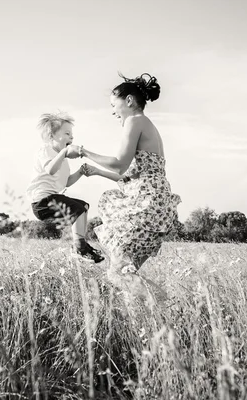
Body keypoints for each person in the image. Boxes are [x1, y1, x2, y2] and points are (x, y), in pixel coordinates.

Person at [78, 73, 181, 290]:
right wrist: (97, 171)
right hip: (157, 207)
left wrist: (83, 151)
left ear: (129, 101)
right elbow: (128, 176)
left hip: (145, 206)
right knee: (126, 272)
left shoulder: (134, 121)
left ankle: (163, 305)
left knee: (117, 274)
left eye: (113, 104)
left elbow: (119, 164)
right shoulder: (148, 125)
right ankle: (155, 316)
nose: (112, 111)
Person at [26, 112, 104, 263]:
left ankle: (81, 244)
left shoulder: (63, 160)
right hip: (42, 202)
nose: (71, 138)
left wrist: (80, 172)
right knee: (78, 210)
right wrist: (63, 152)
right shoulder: (46, 150)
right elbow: (50, 169)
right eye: (67, 133)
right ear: (51, 136)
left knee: (84, 206)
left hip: (52, 199)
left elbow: (66, 182)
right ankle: (80, 247)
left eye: (72, 135)